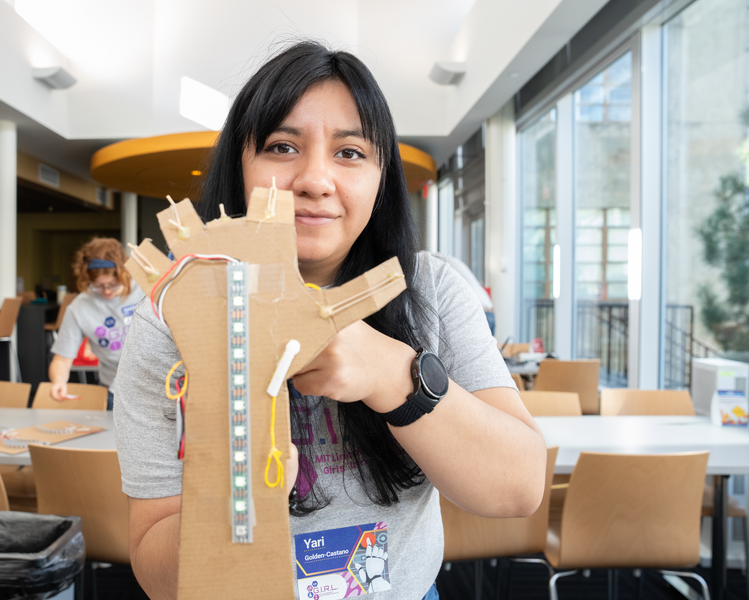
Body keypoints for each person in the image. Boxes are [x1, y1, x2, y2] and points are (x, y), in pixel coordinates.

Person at [114, 41, 546, 600]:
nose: (315, 179)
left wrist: (396, 375)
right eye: (281, 146)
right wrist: (231, 501)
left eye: (349, 153)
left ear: (380, 177)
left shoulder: (432, 290)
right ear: (239, 168)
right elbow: (155, 573)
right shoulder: (172, 319)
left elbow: (518, 489)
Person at [49, 237, 144, 410]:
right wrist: (58, 381)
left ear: (124, 272)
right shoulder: (80, 307)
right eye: (99, 286)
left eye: (113, 285)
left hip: (153, 386)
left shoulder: (146, 290)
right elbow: (62, 358)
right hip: (114, 388)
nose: (107, 291)